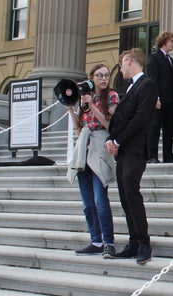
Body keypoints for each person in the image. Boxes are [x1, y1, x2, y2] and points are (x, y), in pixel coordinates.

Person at [104, 48, 156, 264]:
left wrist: (118, 140)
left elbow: (141, 118)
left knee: (131, 191)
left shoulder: (147, 85)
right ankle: (133, 241)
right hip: (123, 149)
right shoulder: (130, 87)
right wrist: (111, 138)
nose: (121, 68)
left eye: (122, 64)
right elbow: (123, 119)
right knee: (125, 195)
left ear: (129, 61)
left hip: (135, 148)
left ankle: (144, 243)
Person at [66, 64, 118, 257]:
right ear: (92, 78)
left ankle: (108, 242)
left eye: (106, 75)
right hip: (84, 150)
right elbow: (79, 129)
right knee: (88, 202)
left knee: (100, 200)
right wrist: (72, 111)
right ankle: (95, 240)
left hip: (100, 148)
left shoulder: (111, 96)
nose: (104, 79)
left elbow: (108, 123)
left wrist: (92, 104)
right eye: (99, 75)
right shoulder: (83, 99)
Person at [145, 31, 173, 164]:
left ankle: (168, 156)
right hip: (159, 100)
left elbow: (172, 80)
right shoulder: (154, 57)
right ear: (164, 41)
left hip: (171, 101)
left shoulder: (171, 60)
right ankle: (152, 155)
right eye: (171, 41)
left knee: (169, 129)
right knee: (154, 127)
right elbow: (152, 79)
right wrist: (156, 98)